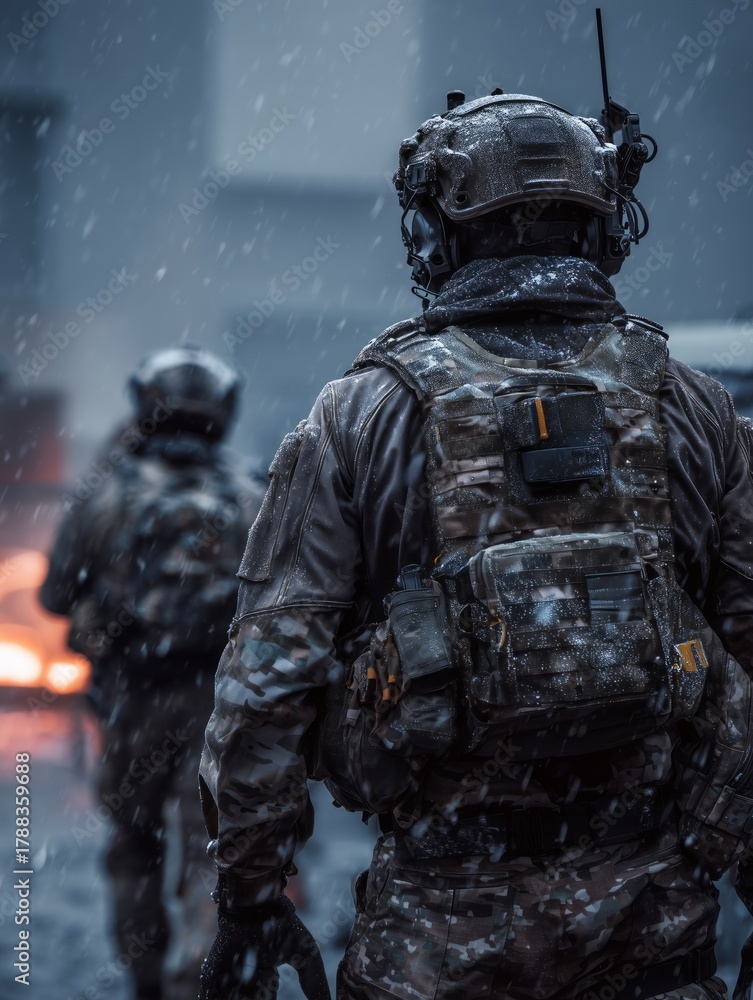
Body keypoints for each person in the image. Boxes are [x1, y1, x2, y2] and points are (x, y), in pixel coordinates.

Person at [198, 92, 753, 1000]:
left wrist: (250, 895)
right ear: (605, 226)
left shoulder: (360, 414)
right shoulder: (695, 409)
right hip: (652, 924)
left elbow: (269, 675)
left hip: (434, 933)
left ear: (433, 236)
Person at [41, 347, 263, 1000]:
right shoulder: (251, 489)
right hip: (221, 701)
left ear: (144, 406)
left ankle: (146, 979)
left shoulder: (107, 492)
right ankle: (197, 974)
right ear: (223, 411)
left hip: (133, 699)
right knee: (210, 848)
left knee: (135, 846)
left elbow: (54, 596)